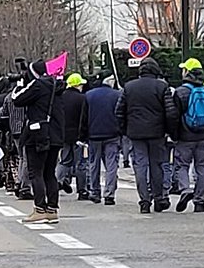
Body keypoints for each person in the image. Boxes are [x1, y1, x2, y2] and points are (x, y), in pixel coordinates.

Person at [116, 57, 179, 214]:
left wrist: (125, 130)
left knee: (140, 166)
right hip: (157, 133)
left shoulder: (129, 87)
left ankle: (144, 200)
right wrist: (170, 131)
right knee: (156, 166)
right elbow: (170, 112)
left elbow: (119, 112)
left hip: (135, 133)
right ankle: (158, 198)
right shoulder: (162, 86)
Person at [14, 60, 63, 224]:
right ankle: (52, 209)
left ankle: (39, 209)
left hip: (38, 134)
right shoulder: (57, 86)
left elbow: (17, 99)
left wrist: (20, 84)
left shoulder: (37, 85)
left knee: (36, 172)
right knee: (50, 173)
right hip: (56, 134)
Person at [171, 63, 204, 214]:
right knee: (202, 168)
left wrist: (174, 135)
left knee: (182, 165)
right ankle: (199, 201)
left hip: (185, 136)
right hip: (203, 136)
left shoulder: (181, 92)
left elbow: (174, 117)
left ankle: (185, 189)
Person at [85, 76, 122, 205]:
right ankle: (109, 194)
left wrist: (84, 134)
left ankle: (95, 191)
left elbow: (84, 117)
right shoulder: (117, 95)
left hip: (93, 134)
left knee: (94, 164)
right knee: (112, 164)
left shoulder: (88, 95)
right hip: (112, 134)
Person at [56, 73, 90, 200]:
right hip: (78, 136)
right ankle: (82, 190)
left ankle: (57, 182)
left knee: (64, 161)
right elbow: (84, 118)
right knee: (80, 163)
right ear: (77, 85)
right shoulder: (82, 98)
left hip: (63, 135)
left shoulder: (60, 98)